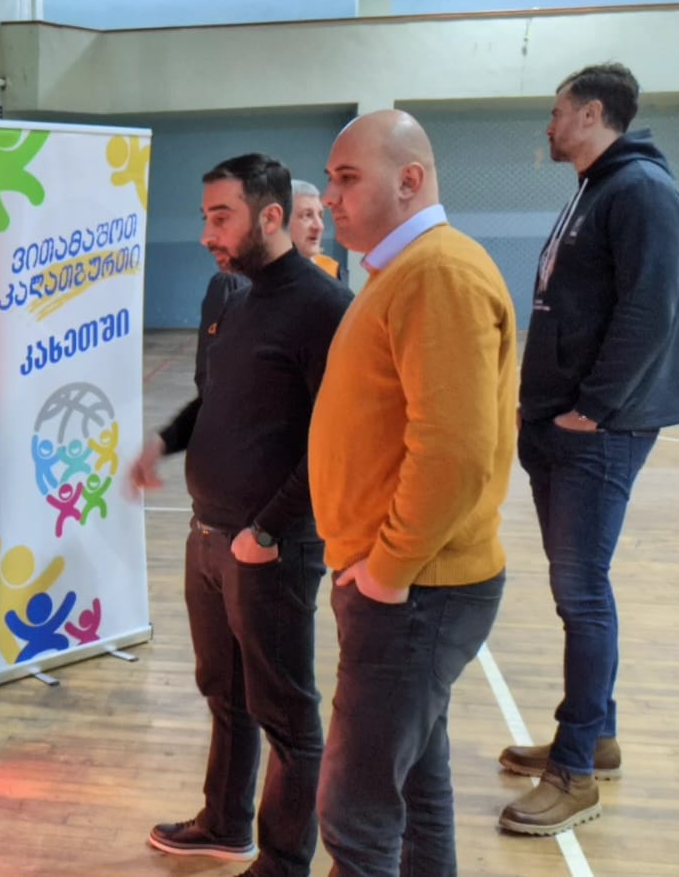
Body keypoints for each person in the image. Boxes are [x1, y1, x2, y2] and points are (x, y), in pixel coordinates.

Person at [307, 110, 517, 875]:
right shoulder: (404, 271)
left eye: (346, 178)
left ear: (409, 180)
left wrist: (389, 567)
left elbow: (455, 450)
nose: (330, 197)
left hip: (414, 587)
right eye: (330, 179)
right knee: (414, 790)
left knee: (354, 810)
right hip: (400, 583)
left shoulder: (437, 274)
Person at [131, 154, 352, 875]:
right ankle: (225, 824)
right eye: (205, 217)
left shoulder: (324, 308)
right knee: (224, 694)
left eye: (220, 217)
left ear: (269, 216)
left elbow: (334, 440)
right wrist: (165, 441)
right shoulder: (233, 299)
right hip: (208, 535)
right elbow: (218, 400)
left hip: (271, 548)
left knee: (287, 717)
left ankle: (283, 860)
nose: (206, 234)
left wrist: (266, 530)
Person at [497, 62, 679, 836]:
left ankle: (574, 772)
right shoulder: (595, 188)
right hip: (559, 422)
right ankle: (594, 734)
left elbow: (650, 310)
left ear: (590, 114)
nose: (548, 125)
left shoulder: (640, 191)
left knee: (581, 595)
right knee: (573, 590)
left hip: (599, 430)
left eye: (556, 112)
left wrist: (594, 408)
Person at [289, 179, 343, 281]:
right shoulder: (259, 277)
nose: (319, 226)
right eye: (307, 215)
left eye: (320, 215)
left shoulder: (331, 271)